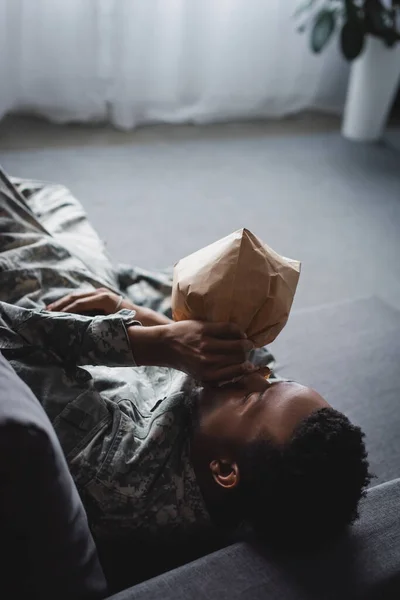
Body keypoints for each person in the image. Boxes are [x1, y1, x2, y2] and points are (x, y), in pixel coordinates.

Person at [0, 168, 371, 554]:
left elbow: (11, 334)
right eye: (271, 380)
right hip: (100, 288)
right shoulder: (244, 438)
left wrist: (155, 344)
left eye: (251, 397)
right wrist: (137, 313)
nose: (250, 372)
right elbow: (254, 359)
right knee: (54, 196)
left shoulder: (115, 471)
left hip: (38, 297)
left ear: (225, 471)